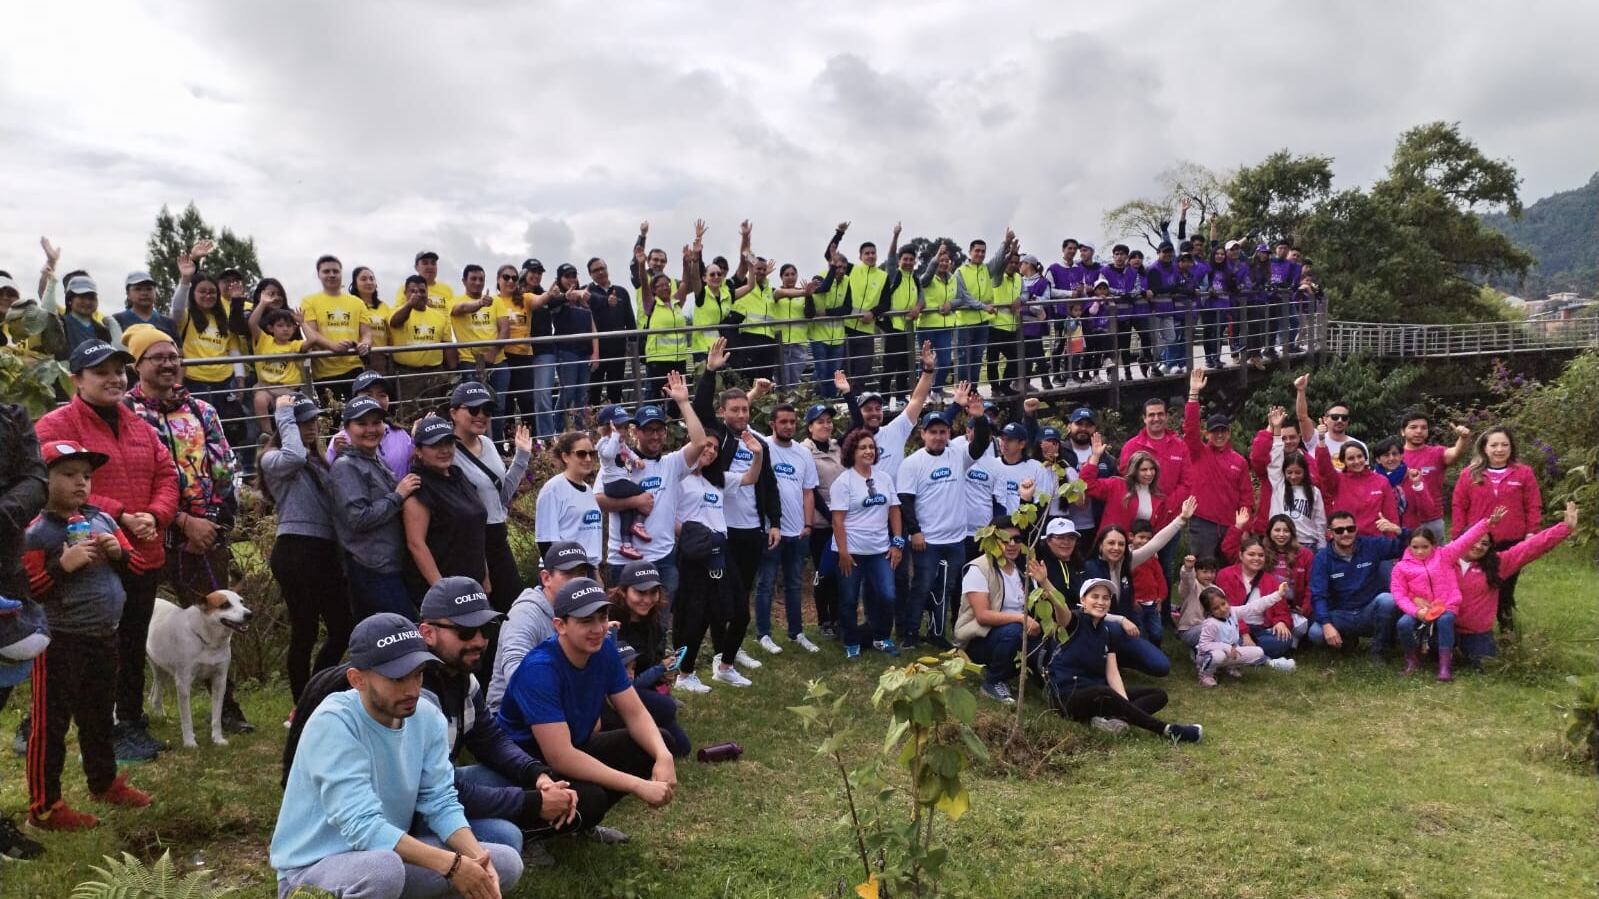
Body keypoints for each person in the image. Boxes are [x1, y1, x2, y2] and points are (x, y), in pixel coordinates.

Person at [272, 613, 524, 898]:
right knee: (383, 871)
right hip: (314, 867)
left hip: (385, 854)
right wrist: (452, 866)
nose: (412, 689)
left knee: (504, 863)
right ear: (357, 680)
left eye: (418, 674)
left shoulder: (428, 717)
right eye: (397, 678)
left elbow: (440, 801)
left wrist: (478, 859)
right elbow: (362, 826)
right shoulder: (334, 722)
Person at [34, 340, 178, 762]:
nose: (115, 379)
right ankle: (74, 727)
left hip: (140, 551)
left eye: (120, 370)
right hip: (87, 553)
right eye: (102, 372)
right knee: (86, 647)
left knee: (133, 641)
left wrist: (155, 514)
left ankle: (129, 721)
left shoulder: (139, 425)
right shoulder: (55, 425)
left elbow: (167, 473)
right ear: (76, 379)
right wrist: (121, 515)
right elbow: (49, 485)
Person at [121, 323, 252, 734]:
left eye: (173, 356)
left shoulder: (202, 410)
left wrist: (214, 524)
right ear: (137, 364)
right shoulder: (124, 413)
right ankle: (127, 714)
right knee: (129, 624)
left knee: (219, 622)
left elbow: (224, 467)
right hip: (143, 534)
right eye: (157, 357)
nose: (167, 364)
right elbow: (126, 479)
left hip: (203, 538)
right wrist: (179, 519)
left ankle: (224, 710)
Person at [417, 578, 597, 866]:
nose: (478, 641)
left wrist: (537, 775)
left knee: (523, 779)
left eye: (486, 629)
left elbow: (491, 741)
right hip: (413, 806)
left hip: (441, 788)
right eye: (465, 631)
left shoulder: (463, 678)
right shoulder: (415, 695)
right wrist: (531, 803)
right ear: (427, 632)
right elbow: (439, 790)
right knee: (507, 839)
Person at [21, 440, 154, 831]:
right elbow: (27, 592)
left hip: (104, 635)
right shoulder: (35, 533)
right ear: (41, 480)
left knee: (98, 717)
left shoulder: (102, 520)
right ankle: (44, 807)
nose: (80, 483)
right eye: (67, 475)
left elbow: (141, 570)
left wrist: (120, 555)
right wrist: (61, 565)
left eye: (86, 476)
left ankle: (104, 782)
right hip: (58, 641)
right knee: (50, 726)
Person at [497, 578, 678, 833]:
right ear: (560, 626)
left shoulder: (603, 649)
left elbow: (635, 713)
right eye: (585, 621)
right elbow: (560, 757)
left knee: (660, 741)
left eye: (602, 618)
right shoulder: (540, 669)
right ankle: (528, 833)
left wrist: (663, 756)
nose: (598, 628)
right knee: (591, 799)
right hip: (527, 768)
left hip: (574, 747)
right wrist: (638, 784)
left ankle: (580, 824)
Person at [693, 340, 782, 662]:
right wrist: (710, 370)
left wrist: (775, 523)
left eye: (745, 409)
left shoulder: (758, 442)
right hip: (723, 528)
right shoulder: (719, 436)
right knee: (721, 594)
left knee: (741, 592)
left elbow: (769, 484)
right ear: (723, 414)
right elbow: (700, 407)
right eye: (735, 410)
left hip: (752, 528)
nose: (741, 414)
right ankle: (720, 651)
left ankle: (735, 646)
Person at [261, 395, 352, 705]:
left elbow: (325, 493)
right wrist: (283, 413)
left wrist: (333, 454)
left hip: (325, 551)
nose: (311, 426)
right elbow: (294, 458)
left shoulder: (314, 458)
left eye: (313, 419)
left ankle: (319, 690)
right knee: (305, 631)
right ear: (286, 425)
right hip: (296, 549)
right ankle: (303, 702)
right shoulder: (273, 458)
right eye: (302, 421)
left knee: (343, 627)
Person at [1046, 579, 1203, 743]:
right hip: (1068, 696)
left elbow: (1113, 674)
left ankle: (1113, 721)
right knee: (1103, 691)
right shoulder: (1074, 622)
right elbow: (1059, 606)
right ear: (1083, 600)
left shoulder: (1107, 631)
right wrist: (1044, 581)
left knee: (1158, 695)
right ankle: (1170, 730)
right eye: (1095, 597)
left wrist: (1124, 704)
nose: (1100, 602)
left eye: (1105, 598)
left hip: (1100, 695)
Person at [598, 371, 708, 606]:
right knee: (624, 627)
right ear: (636, 432)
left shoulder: (672, 463)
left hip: (663, 558)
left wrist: (683, 402)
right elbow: (597, 500)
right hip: (624, 560)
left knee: (660, 624)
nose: (655, 436)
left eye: (660, 430)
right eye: (649, 430)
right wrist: (634, 503)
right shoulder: (619, 461)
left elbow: (700, 442)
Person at [899, 387, 991, 649]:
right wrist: (914, 532)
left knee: (947, 588)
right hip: (927, 539)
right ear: (923, 434)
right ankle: (909, 633)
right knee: (923, 585)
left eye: (943, 432)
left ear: (949, 433)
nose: (939, 437)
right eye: (933, 432)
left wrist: (980, 418)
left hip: (955, 539)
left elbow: (981, 443)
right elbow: (905, 501)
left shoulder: (957, 456)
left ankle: (936, 633)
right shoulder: (912, 463)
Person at [674, 425, 764, 690]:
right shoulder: (677, 478)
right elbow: (667, 517)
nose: (710, 451)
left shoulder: (717, 480)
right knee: (696, 618)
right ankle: (685, 674)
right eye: (707, 445)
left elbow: (750, 478)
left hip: (721, 552)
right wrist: (693, 534)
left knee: (739, 612)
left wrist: (757, 454)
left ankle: (725, 667)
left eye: (715, 447)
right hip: (694, 555)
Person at [1076, 496, 1197, 675]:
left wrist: (1181, 519)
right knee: (1114, 631)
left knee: (1161, 667)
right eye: (1111, 543)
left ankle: (1119, 659)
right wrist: (1122, 620)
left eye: (1121, 544)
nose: (1116, 548)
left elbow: (1155, 543)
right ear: (1100, 546)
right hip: (1100, 628)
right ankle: (1103, 660)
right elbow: (1082, 608)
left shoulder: (1126, 562)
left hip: (1125, 630)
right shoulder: (1089, 568)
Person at [330, 396, 422, 620]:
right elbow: (358, 518)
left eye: (376, 423)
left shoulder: (373, 459)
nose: (371, 429)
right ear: (347, 429)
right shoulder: (346, 467)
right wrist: (397, 496)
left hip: (391, 564)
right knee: (405, 631)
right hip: (372, 568)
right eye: (362, 424)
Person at [1453, 503, 1576, 665]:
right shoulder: (1446, 559)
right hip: (1446, 626)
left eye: (1484, 543)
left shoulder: (1497, 564)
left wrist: (1564, 529)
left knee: (1483, 665)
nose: (1478, 546)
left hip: (1476, 632)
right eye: (1475, 540)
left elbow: (1529, 548)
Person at [449, 383, 531, 622]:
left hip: (498, 535)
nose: (481, 415)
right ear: (454, 413)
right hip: (471, 540)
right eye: (473, 410)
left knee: (514, 609)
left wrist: (522, 457)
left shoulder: (487, 444)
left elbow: (501, 498)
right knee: (482, 615)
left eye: (487, 410)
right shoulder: (447, 453)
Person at [1451, 426, 1543, 631]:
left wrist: (1531, 532)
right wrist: (1458, 538)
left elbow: (1533, 504)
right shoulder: (1470, 474)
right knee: (1476, 587)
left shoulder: (1523, 473)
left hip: (1512, 541)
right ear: (1484, 447)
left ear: (1512, 447)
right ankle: (1467, 631)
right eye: (1494, 445)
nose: (1499, 449)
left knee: (1505, 589)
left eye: (1504, 444)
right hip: (1479, 543)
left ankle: (1507, 633)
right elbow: (1459, 506)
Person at [488, 542, 594, 715]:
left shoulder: (582, 613)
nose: (577, 582)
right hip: (513, 718)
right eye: (568, 574)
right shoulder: (525, 614)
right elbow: (515, 673)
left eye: (582, 574)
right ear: (546, 578)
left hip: (563, 709)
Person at [1391, 512, 1499, 682]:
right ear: (1409, 546)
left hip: (1446, 606)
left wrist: (1487, 524)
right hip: (1419, 609)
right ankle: (1412, 661)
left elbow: (1466, 539)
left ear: (1433, 545)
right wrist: (1416, 611)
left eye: (1425, 547)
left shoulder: (1445, 555)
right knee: (1403, 623)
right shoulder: (1401, 567)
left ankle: (1444, 667)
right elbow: (1399, 594)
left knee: (1445, 620)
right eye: (1415, 547)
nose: (1420, 551)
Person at [828, 428, 905, 660]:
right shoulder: (843, 482)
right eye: (863, 447)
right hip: (850, 553)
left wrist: (897, 543)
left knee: (888, 596)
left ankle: (881, 637)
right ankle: (852, 642)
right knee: (850, 599)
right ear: (852, 451)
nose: (868, 451)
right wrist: (842, 552)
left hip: (880, 550)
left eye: (871, 447)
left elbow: (894, 510)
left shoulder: (883, 478)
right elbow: (837, 521)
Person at [751, 403, 822, 654]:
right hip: (772, 530)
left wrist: (808, 523)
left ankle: (797, 632)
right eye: (783, 422)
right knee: (766, 584)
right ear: (772, 424)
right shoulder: (762, 446)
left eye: (792, 422)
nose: (789, 426)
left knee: (794, 585)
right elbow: (739, 423)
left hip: (798, 532)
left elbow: (808, 491)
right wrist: (756, 395)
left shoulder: (803, 453)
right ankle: (764, 634)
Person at [952, 515, 1040, 704]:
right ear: (993, 541)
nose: (1012, 544)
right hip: (979, 639)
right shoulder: (978, 568)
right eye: (1005, 539)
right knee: (1015, 632)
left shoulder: (1023, 567)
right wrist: (1020, 619)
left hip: (1016, 632)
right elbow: (982, 616)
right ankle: (992, 681)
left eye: (1017, 539)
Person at [606, 562, 690, 757]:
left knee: (681, 748)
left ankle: (645, 729)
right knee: (666, 708)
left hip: (641, 689)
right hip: (614, 694)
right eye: (640, 592)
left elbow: (651, 663)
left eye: (653, 593)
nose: (647, 599)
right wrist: (659, 669)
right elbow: (620, 681)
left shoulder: (654, 622)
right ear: (624, 591)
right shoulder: (610, 623)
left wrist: (663, 675)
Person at [403, 416, 489, 597]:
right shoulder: (418, 486)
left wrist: (484, 573)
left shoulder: (458, 475)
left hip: (474, 583)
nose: (444, 450)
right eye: (435, 445)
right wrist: (442, 589)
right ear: (418, 450)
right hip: (446, 590)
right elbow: (416, 544)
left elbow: (475, 527)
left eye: (449, 443)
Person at [1307, 510, 1407, 657]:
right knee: (1316, 633)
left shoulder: (1371, 545)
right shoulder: (1322, 558)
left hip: (1369, 610)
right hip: (1341, 614)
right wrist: (1327, 624)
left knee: (1388, 600)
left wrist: (1399, 531)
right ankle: (1347, 641)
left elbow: (1411, 547)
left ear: (1356, 529)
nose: (1346, 533)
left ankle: (1378, 650)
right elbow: (1318, 595)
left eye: (1350, 528)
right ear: (1330, 533)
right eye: (1339, 530)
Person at [1183, 369, 1253, 563]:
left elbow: (1246, 497)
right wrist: (1193, 396)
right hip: (1203, 523)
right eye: (1215, 432)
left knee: (1229, 572)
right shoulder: (1198, 453)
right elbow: (1190, 429)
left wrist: (1244, 528)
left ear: (1229, 433)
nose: (1219, 435)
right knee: (1202, 574)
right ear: (1207, 434)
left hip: (1231, 525)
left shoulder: (1239, 461)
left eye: (1223, 431)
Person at [297, 255, 369, 400]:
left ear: (341, 273)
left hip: (354, 367)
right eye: (326, 271)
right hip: (324, 371)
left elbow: (367, 333)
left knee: (359, 413)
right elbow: (312, 333)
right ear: (319, 274)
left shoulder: (357, 302)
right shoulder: (309, 301)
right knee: (333, 416)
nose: (331, 275)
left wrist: (365, 344)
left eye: (335, 271)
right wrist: (334, 347)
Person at [1214, 532, 1295, 659]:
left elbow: (1282, 610)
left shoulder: (1271, 580)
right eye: (1251, 554)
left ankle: (1243, 654)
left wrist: (1281, 622)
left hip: (1261, 629)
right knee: (1226, 636)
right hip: (1233, 628)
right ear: (1241, 555)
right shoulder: (1225, 575)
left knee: (1285, 640)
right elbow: (1227, 610)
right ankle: (1257, 656)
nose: (1256, 558)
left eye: (1260, 555)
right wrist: (1244, 633)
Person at [1194, 587, 1296, 687]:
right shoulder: (1210, 623)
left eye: (1223, 604)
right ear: (1209, 611)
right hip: (1208, 655)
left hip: (1232, 651)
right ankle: (1205, 675)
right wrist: (1227, 647)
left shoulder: (1233, 612)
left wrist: (1277, 594)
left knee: (1258, 651)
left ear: (1226, 601)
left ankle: (1230, 667)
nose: (1222, 609)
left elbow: (1254, 606)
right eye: (1216, 608)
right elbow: (1204, 645)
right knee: (1219, 656)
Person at [449, 267, 510, 428]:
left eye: (481, 279)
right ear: (464, 281)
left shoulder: (496, 301)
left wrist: (493, 352)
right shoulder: (454, 301)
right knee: (474, 408)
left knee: (499, 406)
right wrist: (480, 303)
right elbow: (461, 309)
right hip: (470, 363)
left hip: (498, 361)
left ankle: (496, 448)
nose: (478, 283)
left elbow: (504, 328)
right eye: (473, 279)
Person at [1398, 411, 1473, 540]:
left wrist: (1463, 438)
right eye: (1413, 427)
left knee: (1437, 559)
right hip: (1402, 521)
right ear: (1403, 431)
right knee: (1403, 559)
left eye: (1423, 428)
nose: (1419, 431)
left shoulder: (1436, 453)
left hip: (1432, 521)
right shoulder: (1394, 457)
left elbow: (1456, 453)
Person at [803, 404, 844, 637]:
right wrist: (830, 515)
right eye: (820, 422)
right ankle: (823, 620)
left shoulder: (838, 447)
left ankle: (838, 618)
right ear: (810, 427)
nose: (826, 425)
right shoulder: (805, 451)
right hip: (820, 522)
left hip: (841, 521)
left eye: (828, 421)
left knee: (840, 571)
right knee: (823, 573)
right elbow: (810, 488)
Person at [325, 371, 414, 478]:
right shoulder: (341, 441)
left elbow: (413, 470)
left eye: (382, 395)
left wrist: (418, 441)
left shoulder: (400, 434)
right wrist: (336, 454)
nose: (375, 400)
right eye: (368, 395)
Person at [1260, 407, 1326, 549]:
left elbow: (1320, 521)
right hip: (1280, 543)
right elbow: (1276, 460)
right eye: (1289, 473)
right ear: (1283, 473)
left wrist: (1322, 546)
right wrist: (1276, 430)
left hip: (1308, 544)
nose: (1293, 476)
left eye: (1298, 472)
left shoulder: (1314, 491)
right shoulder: (1279, 485)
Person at [389, 275, 453, 415]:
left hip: (434, 373)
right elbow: (395, 322)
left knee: (436, 413)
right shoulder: (396, 311)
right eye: (413, 291)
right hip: (407, 375)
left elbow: (447, 345)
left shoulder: (440, 316)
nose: (418, 294)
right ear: (405, 293)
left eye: (422, 291)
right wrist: (410, 305)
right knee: (408, 415)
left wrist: (453, 372)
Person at [1315, 431, 1399, 537]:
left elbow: (1391, 515)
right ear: (1343, 461)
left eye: (1360, 456)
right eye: (1350, 458)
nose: (1357, 461)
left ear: (1365, 457)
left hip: (1374, 542)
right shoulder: (1337, 480)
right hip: (1345, 540)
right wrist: (1321, 440)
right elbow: (1324, 468)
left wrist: (1392, 542)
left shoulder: (1381, 481)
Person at [586, 257, 636, 406]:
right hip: (596, 352)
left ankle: (616, 424)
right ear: (590, 274)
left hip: (618, 350)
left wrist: (633, 345)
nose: (600, 272)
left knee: (615, 390)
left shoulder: (621, 291)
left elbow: (630, 320)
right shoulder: (588, 291)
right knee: (594, 390)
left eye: (603, 268)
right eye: (596, 270)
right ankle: (595, 426)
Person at [106, 271, 178, 348]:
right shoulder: (116, 321)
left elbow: (178, 352)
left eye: (149, 289)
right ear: (128, 294)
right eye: (138, 289)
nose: (144, 293)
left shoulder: (168, 323)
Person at [1173, 555, 1222, 647]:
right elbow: (1187, 579)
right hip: (1189, 630)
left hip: (1212, 628)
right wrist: (1188, 568)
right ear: (1196, 572)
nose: (1209, 575)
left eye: (1212, 572)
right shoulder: (1192, 587)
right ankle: (1198, 651)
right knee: (1210, 627)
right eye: (1205, 572)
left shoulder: (1218, 590)